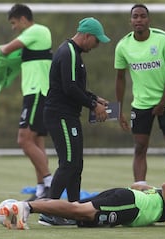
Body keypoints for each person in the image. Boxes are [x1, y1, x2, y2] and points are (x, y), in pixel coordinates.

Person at [40, 17, 110, 225]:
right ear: (87, 36)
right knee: (69, 163)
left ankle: (74, 210)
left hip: (68, 116)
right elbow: (69, 88)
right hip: (60, 115)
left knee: (76, 164)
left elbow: (73, 86)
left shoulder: (73, 53)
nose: (96, 46)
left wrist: (94, 98)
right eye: (96, 41)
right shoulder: (69, 52)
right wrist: (93, 106)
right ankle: (49, 210)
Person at [115, 4, 165, 188]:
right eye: (135, 16)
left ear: (148, 19)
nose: (139, 20)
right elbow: (120, 79)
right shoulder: (123, 46)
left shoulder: (162, 39)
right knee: (139, 147)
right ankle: (140, 189)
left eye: (142, 16)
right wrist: (118, 111)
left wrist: (162, 102)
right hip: (141, 104)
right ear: (130, 21)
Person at [0, 3, 53, 200]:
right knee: (37, 141)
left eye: (14, 23)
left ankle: (49, 183)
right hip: (35, 93)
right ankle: (41, 191)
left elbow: (6, 50)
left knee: (23, 139)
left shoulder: (37, 30)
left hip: (37, 92)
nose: (13, 27)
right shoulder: (33, 37)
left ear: (23, 19)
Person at [1, 183, 165, 230]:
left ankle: (27, 210)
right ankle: (26, 207)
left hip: (127, 196)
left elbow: (139, 185)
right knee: (80, 211)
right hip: (131, 205)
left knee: (78, 210)